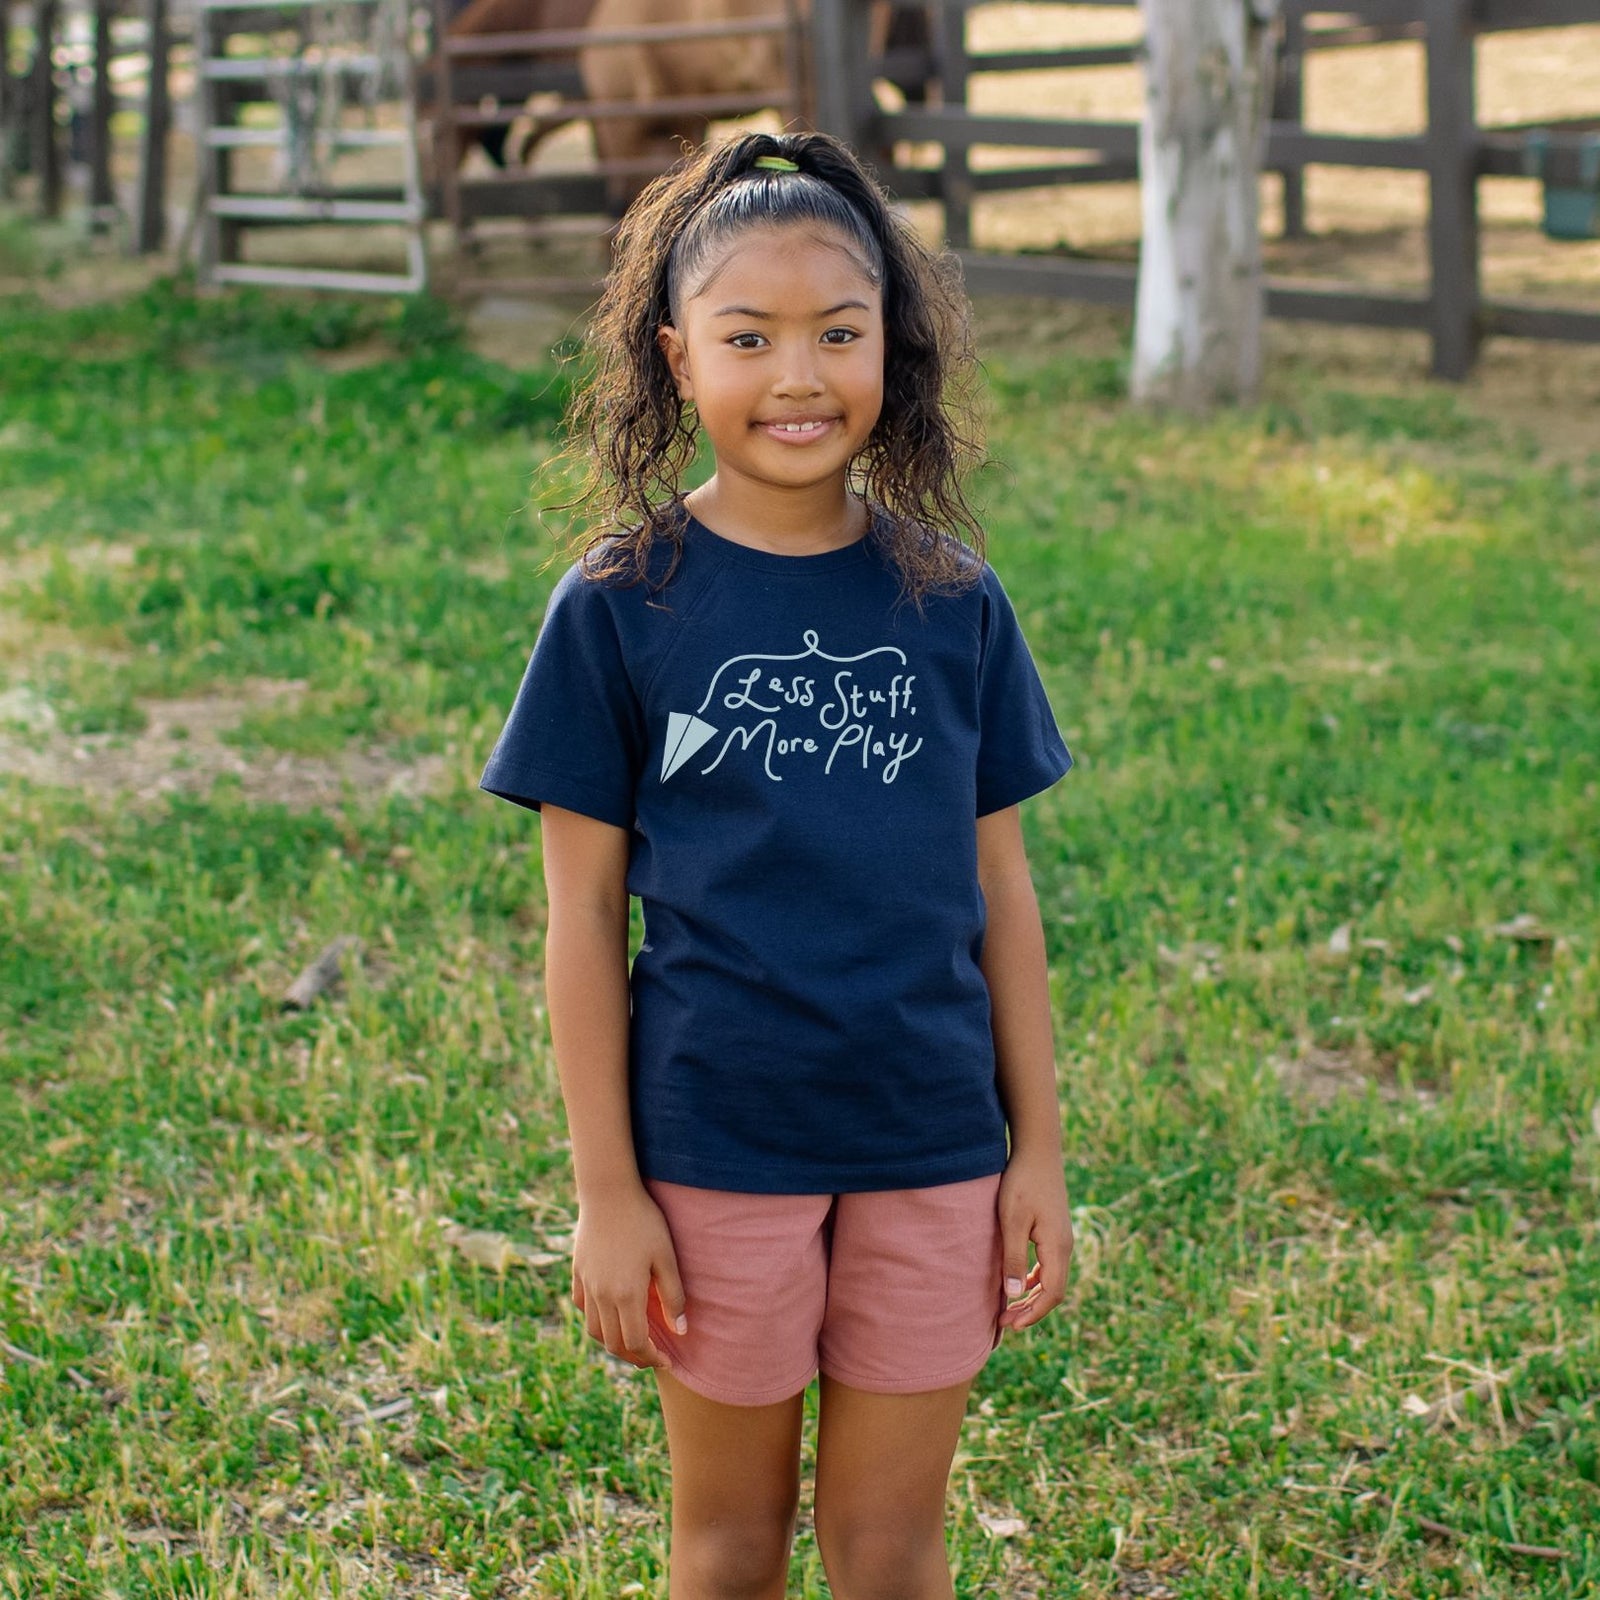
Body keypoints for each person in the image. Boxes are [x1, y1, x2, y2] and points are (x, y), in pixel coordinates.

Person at [481, 129, 1075, 1600]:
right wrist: (608, 1194)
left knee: (889, 1552)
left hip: (932, 1140)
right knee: (730, 1548)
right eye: (750, 337)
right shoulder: (619, 606)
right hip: (713, 1152)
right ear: (680, 359)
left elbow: (1004, 896)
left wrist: (1038, 1151)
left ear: (897, 349)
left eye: (838, 334)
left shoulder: (954, 602)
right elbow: (580, 927)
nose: (798, 376)